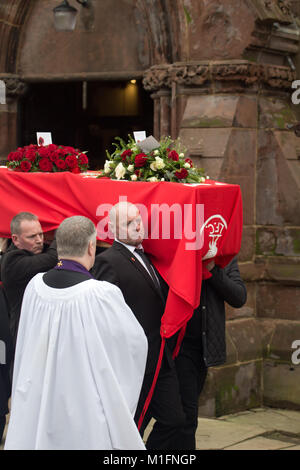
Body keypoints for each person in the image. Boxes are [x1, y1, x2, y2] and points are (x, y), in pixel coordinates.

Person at [4, 216, 147, 450]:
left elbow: (26, 345)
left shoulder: (35, 287)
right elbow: (134, 346)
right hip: (83, 404)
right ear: (92, 247)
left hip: (40, 400)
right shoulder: (101, 295)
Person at [92, 202, 185, 450]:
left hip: (160, 357)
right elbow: (106, 316)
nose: (137, 226)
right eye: (129, 223)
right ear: (112, 229)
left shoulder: (152, 255)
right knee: (131, 427)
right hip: (133, 362)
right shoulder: (108, 261)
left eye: (138, 220)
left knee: (175, 420)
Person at [174, 257, 247, 449]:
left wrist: (213, 270)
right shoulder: (179, 250)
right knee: (186, 416)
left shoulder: (224, 257)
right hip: (180, 346)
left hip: (203, 348)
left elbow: (239, 297)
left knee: (180, 417)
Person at [1, 212, 58, 346]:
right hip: (25, 333)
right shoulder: (12, 261)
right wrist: (59, 236)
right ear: (15, 239)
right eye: (32, 236)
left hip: (41, 329)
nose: (39, 240)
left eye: (41, 234)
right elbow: (53, 259)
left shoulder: (34, 251)